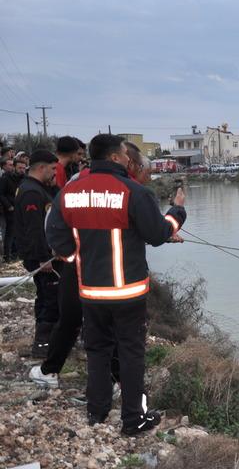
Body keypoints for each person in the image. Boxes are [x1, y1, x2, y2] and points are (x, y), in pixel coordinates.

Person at [46, 134, 187, 436]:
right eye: (125, 155)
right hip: (129, 292)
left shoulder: (71, 191)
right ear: (113, 157)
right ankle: (133, 419)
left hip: (91, 292)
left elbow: (55, 233)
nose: (128, 160)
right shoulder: (133, 192)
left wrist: (75, 258)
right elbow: (157, 233)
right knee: (131, 352)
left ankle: (97, 413)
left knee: (97, 350)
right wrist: (177, 212)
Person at [30, 143, 152, 388]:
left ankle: (66, 375)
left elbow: (55, 224)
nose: (137, 171)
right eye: (136, 165)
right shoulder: (126, 188)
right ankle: (109, 381)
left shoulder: (82, 181)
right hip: (99, 271)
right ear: (124, 160)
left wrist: (70, 253)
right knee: (92, 324)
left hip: (84, 266)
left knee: (81, 323)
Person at [15, 150, 60, 358]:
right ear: (41, 168)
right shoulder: (32, 192)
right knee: (51, 297)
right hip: (41, 257)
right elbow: (34, 229)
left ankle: (47, 340)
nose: (54, 173)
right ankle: (42, 344)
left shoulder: (37, 189)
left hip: (41, 254)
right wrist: (43, 257)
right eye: (52, 169)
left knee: (44, 295)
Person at [0, 157, 26, 261]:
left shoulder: (25, 179)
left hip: (21, 209)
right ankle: (7, 256)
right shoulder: (6, 178)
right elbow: (1, 194)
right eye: (20, 168)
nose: (22, 170)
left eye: (24, 168)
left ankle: (18, 254)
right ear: (14, 167)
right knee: (9, 234)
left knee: (20, 232)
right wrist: (9, 206)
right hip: (10, 209)